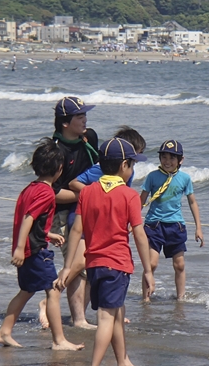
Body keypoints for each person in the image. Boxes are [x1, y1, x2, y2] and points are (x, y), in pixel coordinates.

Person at [57, 137, 157, 366]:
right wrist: (148, 270)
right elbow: (140, 235)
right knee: (106, 318)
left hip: (94, 264)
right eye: (132, 165)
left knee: (117, 313)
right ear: (124, 165)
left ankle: (124, 364)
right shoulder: (129, 195)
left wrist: (68, 266)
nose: (132, 170)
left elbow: (77, 232)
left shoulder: (87, 192)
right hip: (117, 265)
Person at [38, 126, 146, 329]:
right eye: (135, 155)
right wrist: (97, 195)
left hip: (99, 224)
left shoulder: (127, 173)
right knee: (79, 264)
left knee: (89, 268)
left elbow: (122, 197)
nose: (136, 160)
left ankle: (107, 311)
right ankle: (50, 298)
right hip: (81, 219)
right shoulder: (101, 169)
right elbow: (74, 183)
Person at [0, 138, 85, 351]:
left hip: (29, 247)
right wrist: (20, 248)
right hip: (35, 252)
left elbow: (32, 220)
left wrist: (48, 234)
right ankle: (59, 340)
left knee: (26, 291)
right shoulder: (46, 192)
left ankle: (4, 331)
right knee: (53, 291)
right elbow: (28, 217)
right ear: (59, 169)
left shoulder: (30, 188)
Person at [49, 96, 99, 329]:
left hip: (90, 211)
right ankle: (64, 309)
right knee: (78, 265)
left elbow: (101, 170)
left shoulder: (90, 140)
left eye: (85, 115)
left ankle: (77, 314)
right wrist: (86, 194)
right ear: (65, 123)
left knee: (89, 265)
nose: (85, 120)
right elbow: (52, 192)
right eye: (79, 116)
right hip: (64, 214)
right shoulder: (56, 151)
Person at [139, 140, 204, 302]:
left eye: (172, 158)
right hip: (154, 225)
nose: (167, 162)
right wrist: (130, 222)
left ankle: (180, 298)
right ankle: (145, 299)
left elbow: (192, 202)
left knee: (179, 265)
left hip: (176, 226)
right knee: (152, 264)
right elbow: (141, 200)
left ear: (180, 160)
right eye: (164, 157)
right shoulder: (152, 177)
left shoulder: (185, 178)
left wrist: (198, 227)